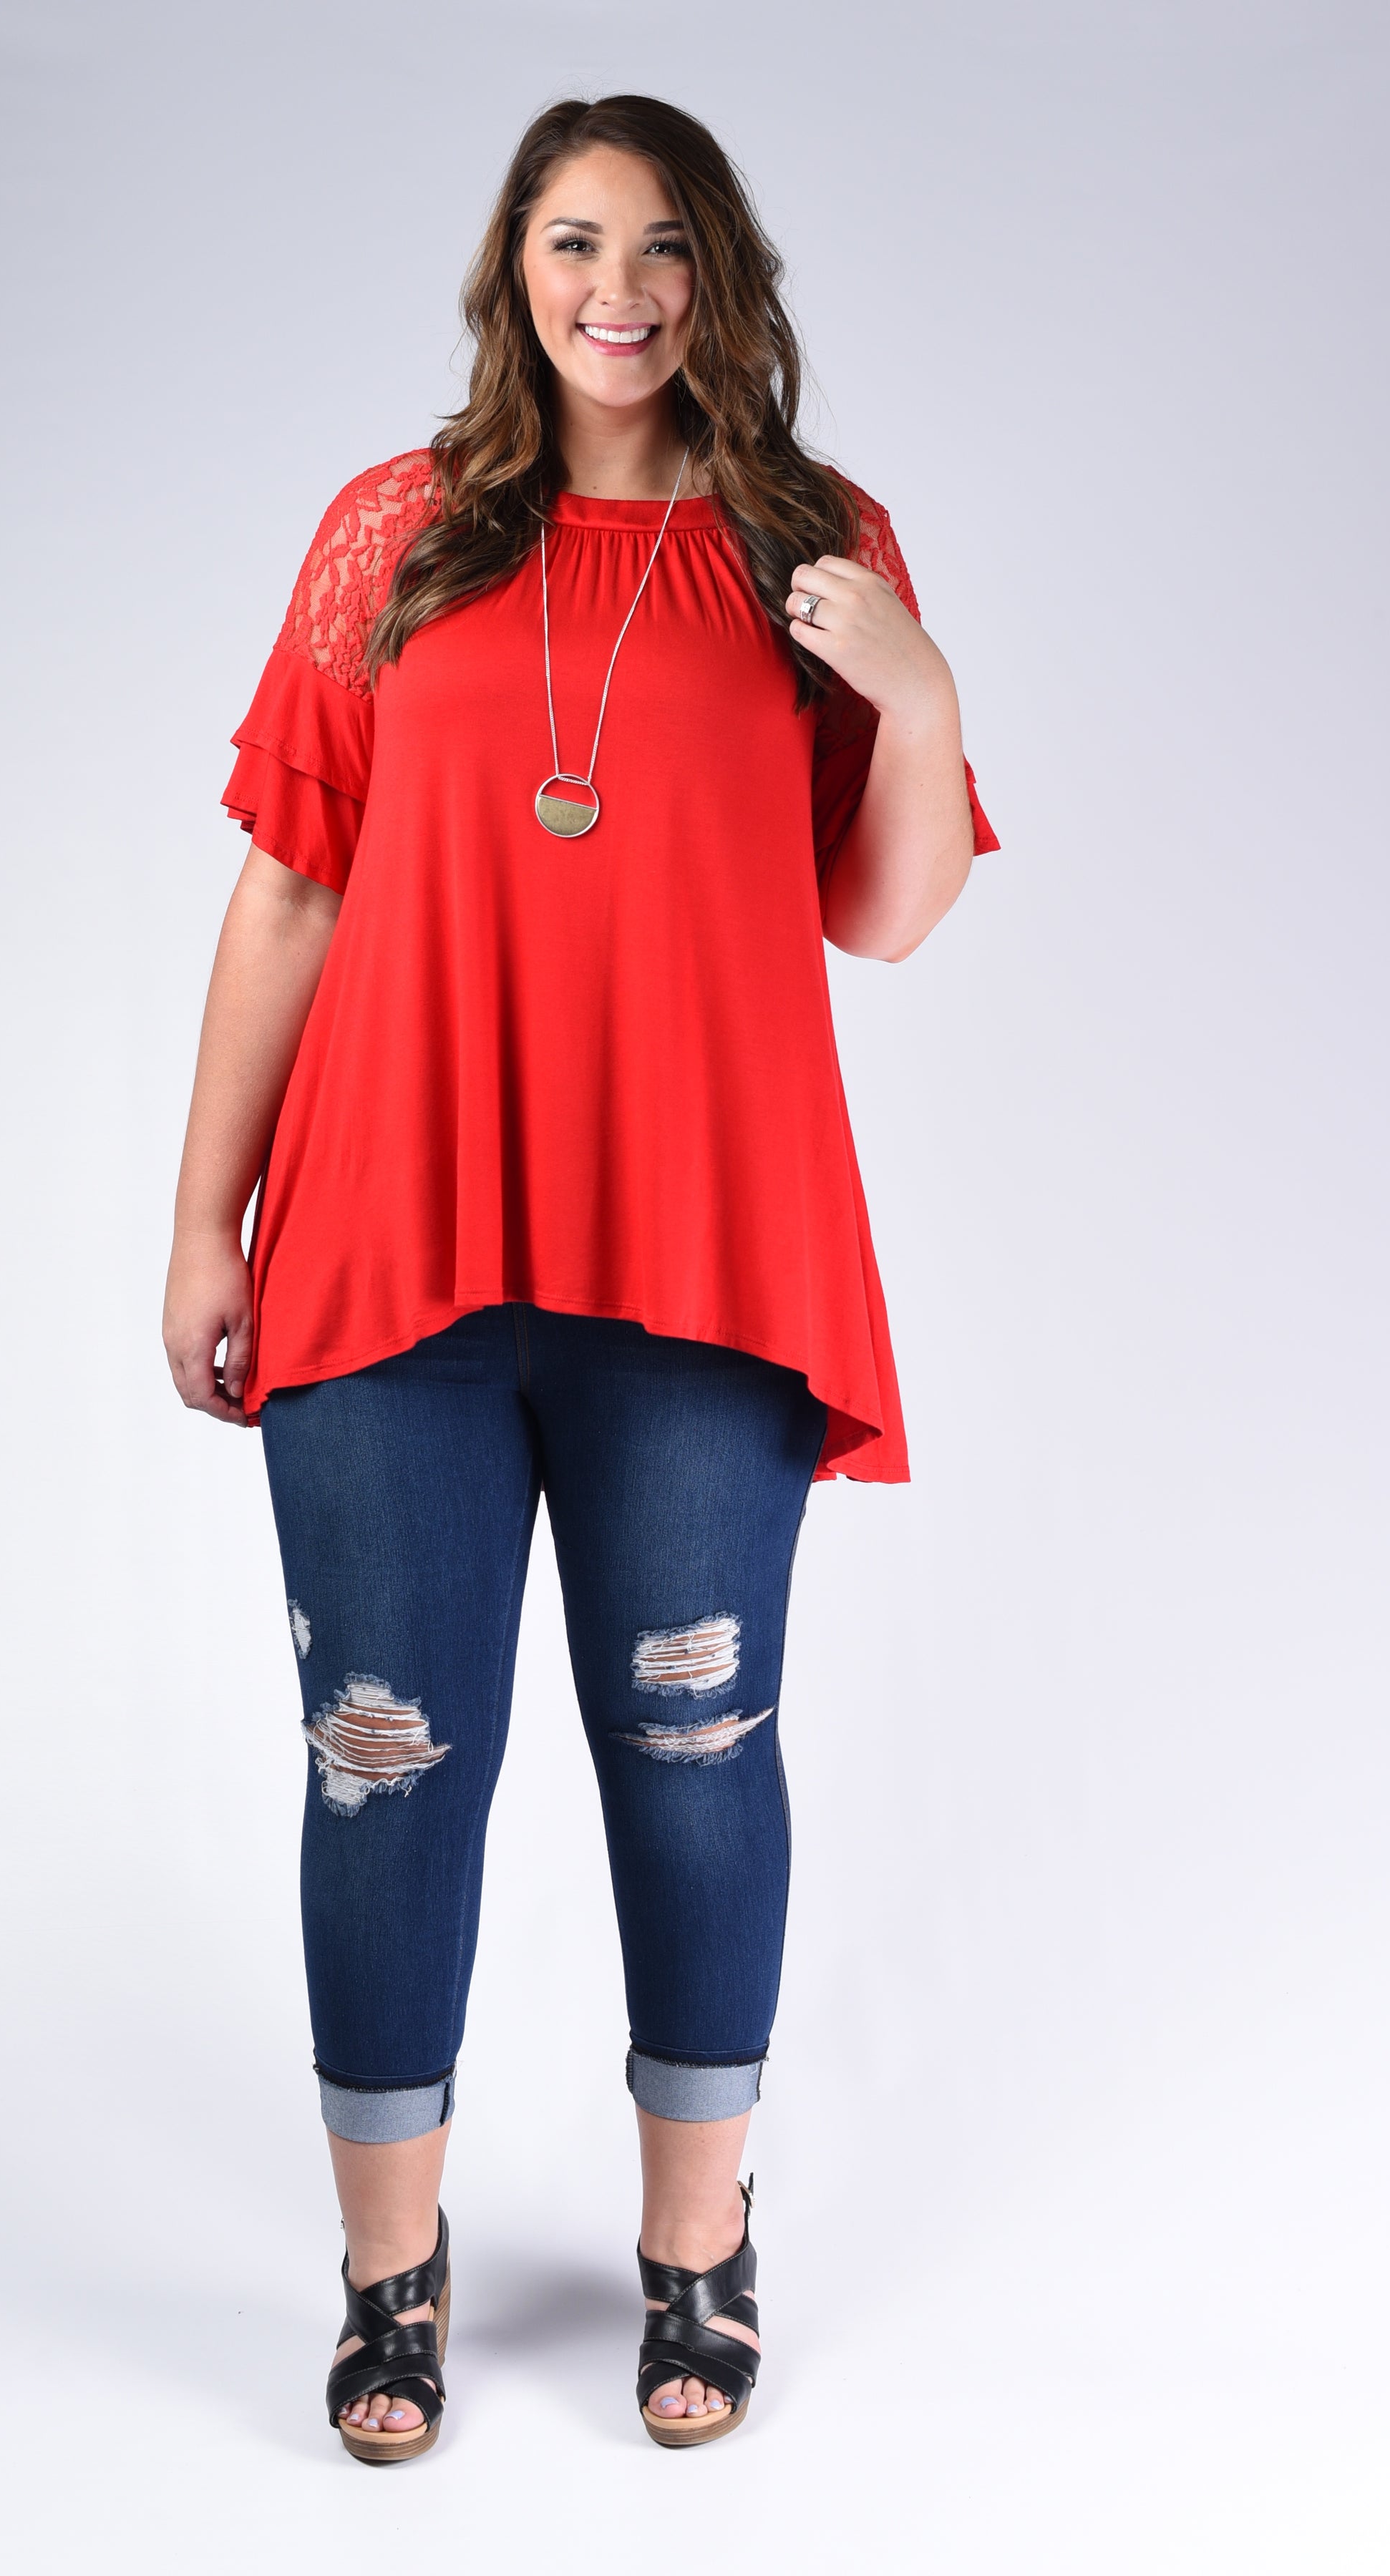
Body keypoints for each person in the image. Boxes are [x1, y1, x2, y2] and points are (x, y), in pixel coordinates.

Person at [162, 92, 997, 2463]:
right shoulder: (392, 535)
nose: (615, 291)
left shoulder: (820, 548)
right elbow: (292, 885)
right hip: (389, 1242)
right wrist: (204, 1218)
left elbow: (886, 911)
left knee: (696, 1748)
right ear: (512, 273)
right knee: (382, 1759)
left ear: (720, 276)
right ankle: (390, 2280)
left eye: (658, 248)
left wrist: (921, 694)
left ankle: (699, 2251)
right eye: (570, 243)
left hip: (701, 1264)